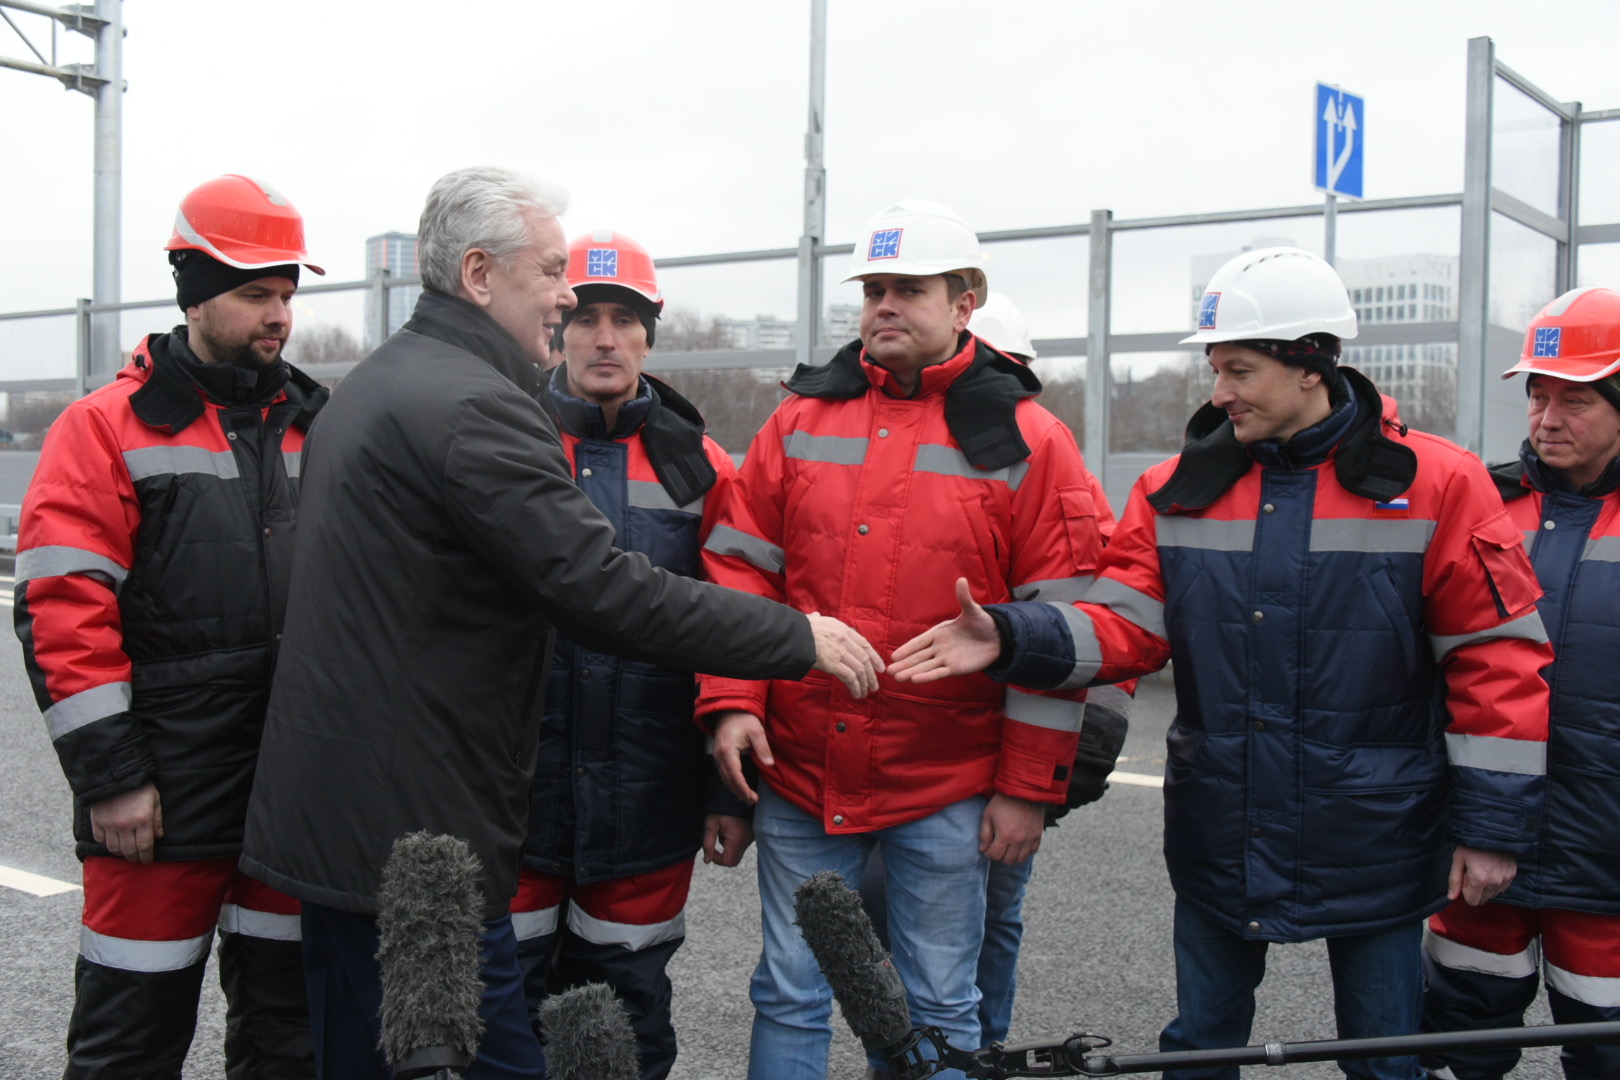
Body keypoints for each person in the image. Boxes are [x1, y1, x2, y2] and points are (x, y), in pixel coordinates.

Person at [236, 166, 881, 1080]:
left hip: (344, 819)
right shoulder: (475, 406)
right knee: (491, 1058)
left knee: (360, 1053)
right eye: (549, 272)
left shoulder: (379, 381)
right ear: (478, 273)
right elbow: (600, 587)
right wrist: (795, 638)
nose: (569, 295)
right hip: (417, 834)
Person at [890, 246, 1553, 1080]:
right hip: (1223, 829)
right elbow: (1123, 625)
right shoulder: (1178, 488)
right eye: (1216, 369)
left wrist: (1492, 831)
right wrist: (1017, 636)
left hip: (1378, 834)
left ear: (1311, 364)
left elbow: (1498, 661)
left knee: (1386, 1058)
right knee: (1201, 1051)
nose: (1219, 392)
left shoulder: (1437, 484)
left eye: (1238, 369)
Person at [697, 200, 1111, 1080]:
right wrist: (731, 704)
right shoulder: (800, 421)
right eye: (874, 289)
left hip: (947, 784)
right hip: (805, 772)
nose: (884, 305)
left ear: (965, 303)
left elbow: (1061, 630)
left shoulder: (1032, 442)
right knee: (790, 991)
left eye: (908, 290)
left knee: (937, 1005)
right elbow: (739, 574)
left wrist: (1029, 786)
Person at [14, 174, 328, 1078]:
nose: (279, 316)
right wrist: (112, 778)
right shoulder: (103, 428)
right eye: (256, 295)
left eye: (286, 295)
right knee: (131, 1041)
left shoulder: (317, 424)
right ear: (194, 293)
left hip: (289, 791)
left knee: (289, 1036)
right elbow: (62, 609)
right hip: (159, 800)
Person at [854, 291, 1133, 1052]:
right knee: (913, 916)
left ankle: (975, 1051)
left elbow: (1088, 614)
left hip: (1004, 755)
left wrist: (1051, 772)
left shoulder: (1042, 456)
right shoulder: (909, 450)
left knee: (992, 914)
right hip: (928, 751)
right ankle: (927, 1052)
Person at [509, 229, 755, 1079]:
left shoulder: (702, 469)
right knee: (504, 1016)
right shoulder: (504, 440)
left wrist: (731, 796)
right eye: (584, 317)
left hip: (645, 800)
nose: (603, 337)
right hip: (515, 798)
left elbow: (735, 626)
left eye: (625, 319)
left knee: (627, 1022)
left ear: (651, 333)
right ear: (556, 326)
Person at [1421, 286, 1620, 1080]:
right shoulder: (1483, 504)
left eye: (1574, 399)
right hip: (1478, 846)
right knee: (1456, 1048)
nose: (1546, 418)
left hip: (1606, 858)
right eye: (1538, 395)